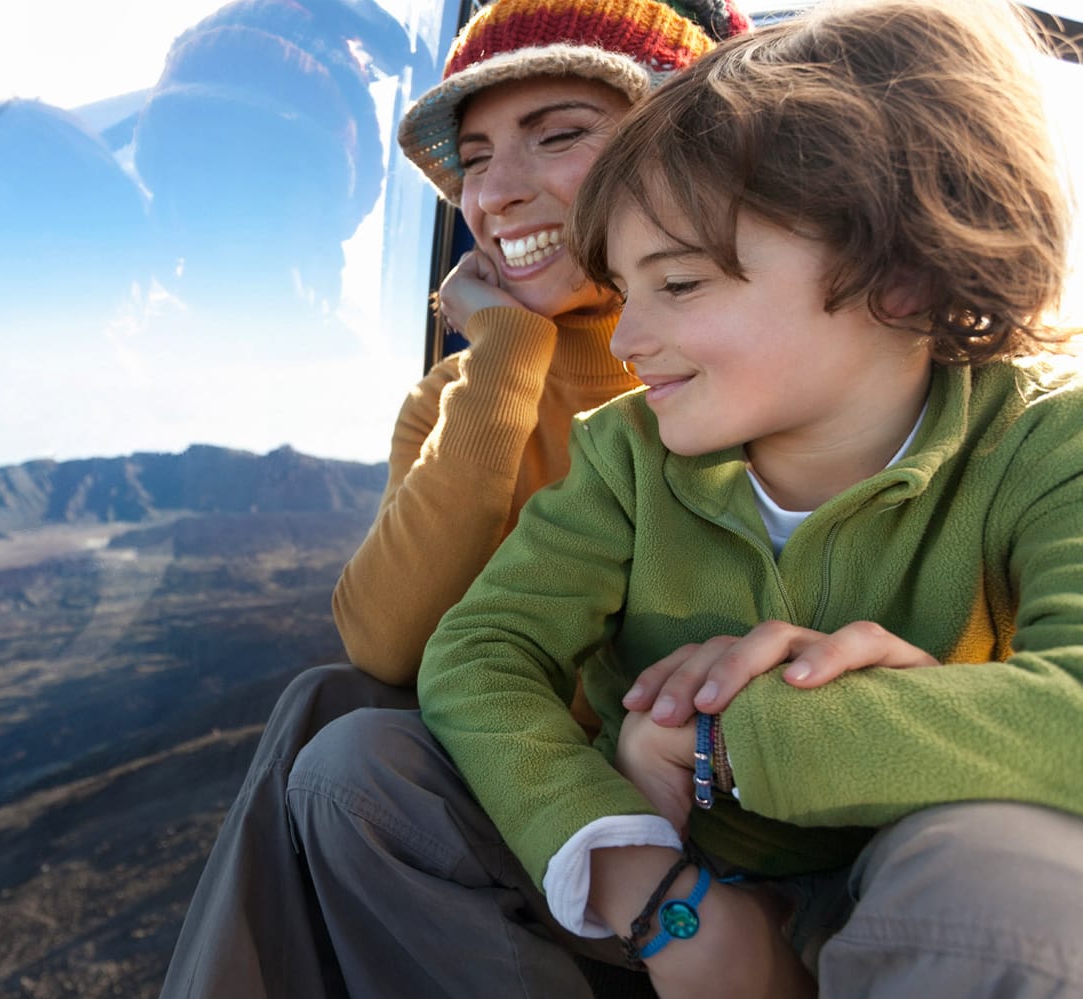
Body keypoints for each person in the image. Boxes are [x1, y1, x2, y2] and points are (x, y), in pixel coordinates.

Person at [418, 0, 1083, 995]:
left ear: (894, 276)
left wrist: (727, 735)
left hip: (896, 883)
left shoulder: (1046, 442)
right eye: (625, 287)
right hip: (661, 885)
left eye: (677, 286)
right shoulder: (627, 455)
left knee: (998, 873)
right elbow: (479, 650)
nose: (631, 337)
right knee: (361, 776)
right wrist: (646, 884)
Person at [160, 1, 749, 996]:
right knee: (335, 705)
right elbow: (384, 641)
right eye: (473, 158)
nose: (497, 193)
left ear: (682, 152)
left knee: (337, 729)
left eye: (558, 135)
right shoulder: (461, 398)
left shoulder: (759, 365)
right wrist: (508, 360)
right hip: (547, 820)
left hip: (721, 826)